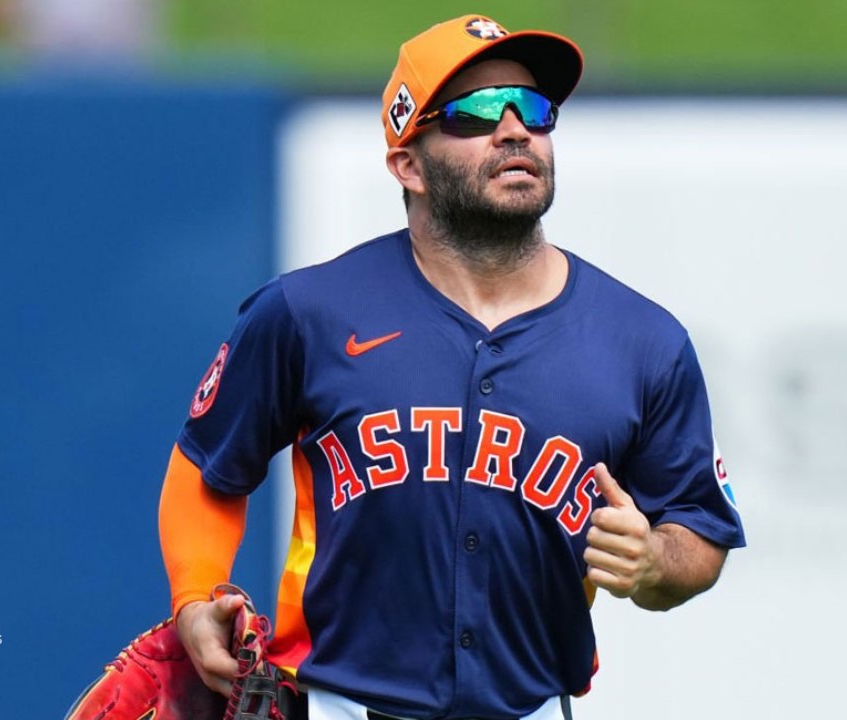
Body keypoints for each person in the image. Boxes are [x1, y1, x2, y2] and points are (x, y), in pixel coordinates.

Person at [158, 13, 746, 720]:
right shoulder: (307, 312)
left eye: (532, 109)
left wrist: (655, 563)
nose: (514, 130)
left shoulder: (643, 340)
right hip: (343, 706)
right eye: (474, 114)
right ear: (409, 164)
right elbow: (207, 465)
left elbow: (699, 533)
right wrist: (194, 596)